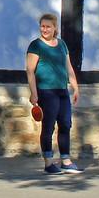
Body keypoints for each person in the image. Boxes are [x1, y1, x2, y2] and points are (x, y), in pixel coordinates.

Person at [26, 12, 81, 175]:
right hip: (46, 91)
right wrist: (34, 93)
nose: (45, 29)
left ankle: (66, 161)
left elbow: (68, 67)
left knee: (65, 124)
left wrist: (75, 87)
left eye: (48, 26)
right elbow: (30, 70)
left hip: (62, 90)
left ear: (55, 27)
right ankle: (49, 162)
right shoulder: (36, 46)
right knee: (48, 126)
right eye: (42, 26)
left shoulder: (62, 44)